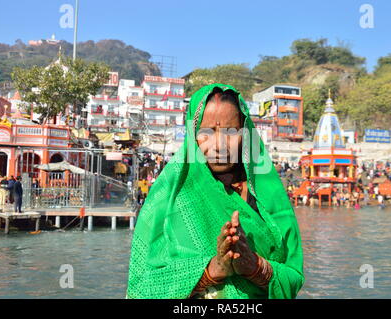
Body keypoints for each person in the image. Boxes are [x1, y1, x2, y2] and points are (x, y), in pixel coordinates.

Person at [127, 84, 304, 299]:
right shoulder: (169, 195)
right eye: (206, 133)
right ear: (192, 135)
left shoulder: (267, 198)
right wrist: (214, 269)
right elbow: (141, 288)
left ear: (245, 134)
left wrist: (253, 266)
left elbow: (294, 277)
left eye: (231, 133)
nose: (219, 145)